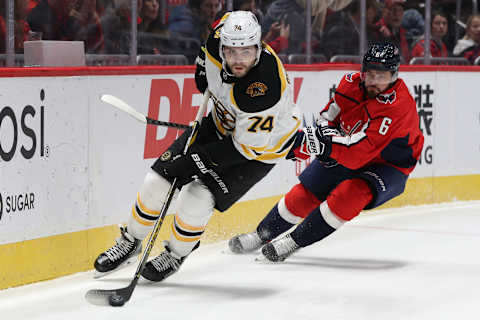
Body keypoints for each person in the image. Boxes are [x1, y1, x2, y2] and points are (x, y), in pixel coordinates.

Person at [94, 11, 301, 280]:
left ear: (258, 48)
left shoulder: (264, 89)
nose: (238, 60)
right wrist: (203, 74)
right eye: (231, 51)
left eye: (246, 52)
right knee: (157, 180)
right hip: (220, 123)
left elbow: (243, 147)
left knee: (196, 196)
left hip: (258, 152)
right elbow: (205, 58)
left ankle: (176, 253)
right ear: (223, 45)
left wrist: (196, 161)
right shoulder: (218, 36)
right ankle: (131, 242)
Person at [229, 42, 424, 262]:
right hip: (346, 146)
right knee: (307, 191)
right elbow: (328, 116)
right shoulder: (350, 83)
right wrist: (313, 138)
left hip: (389, 165)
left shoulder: (398, 106)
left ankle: (292, 242)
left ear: (394, 75)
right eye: (370, 74)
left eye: (382, 76)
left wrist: (324, 145)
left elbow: (360, 151)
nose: (374, 82)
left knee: (351, 194)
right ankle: (261, 235)